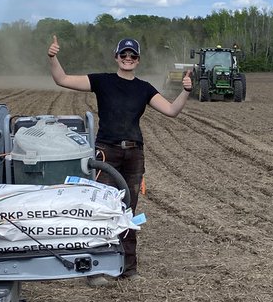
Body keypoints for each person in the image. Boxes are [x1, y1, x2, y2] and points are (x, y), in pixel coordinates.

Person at [46, 35, 192, 278]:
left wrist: (186, 92)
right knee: (102, 208)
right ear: (116, 57)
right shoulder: (102, 81)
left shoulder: (144, 88)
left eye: (132, 55)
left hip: (134, 154)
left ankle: (129, 268)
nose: (127, 58)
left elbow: (172, 110)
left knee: (128, 210)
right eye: (123, 54)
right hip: (107, 152)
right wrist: (52, 57)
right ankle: (98, 269)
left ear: (138, 60)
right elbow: (62, 79)